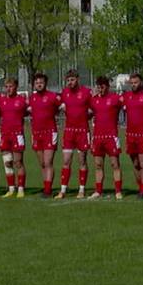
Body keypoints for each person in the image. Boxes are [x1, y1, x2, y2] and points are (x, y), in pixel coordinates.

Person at [57, 70, 91, 199]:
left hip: (82, 131)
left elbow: (93, 108)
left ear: (77, 79)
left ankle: (81, 190)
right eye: (68, 80)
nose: (70, 82)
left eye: (72, 79)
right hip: (69, 132)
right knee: (66, 161)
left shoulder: (86, 92)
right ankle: (63, 190)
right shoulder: (64, 93)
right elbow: (56, 104)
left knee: (82, 160)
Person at [89, 76, 123, 199]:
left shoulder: (115, 98)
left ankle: (118, 191)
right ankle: (98, 191)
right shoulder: (93, 100)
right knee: (98, 165)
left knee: (115, 164)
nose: (100, 89)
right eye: (98, 87)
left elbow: (129, 100)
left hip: (111, 137)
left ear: (107, 86)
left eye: (102, 87)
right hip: (97, 137)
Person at [28, 73, 61, 197]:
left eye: (41, 82)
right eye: (36, 83)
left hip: (49, 132)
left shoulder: (53, 97)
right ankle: (45, 186)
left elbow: (62, 108)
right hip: (36, 133)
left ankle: (48, 190)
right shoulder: (32, 98)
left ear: (45, 83)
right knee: (42, 163)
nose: (39, 84)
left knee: (48, 162)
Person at [123, 73, 143, 198]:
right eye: (132, 83)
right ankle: (140, 187)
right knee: (135, 163)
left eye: (135, 82)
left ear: (141, 83)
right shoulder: (126, 97)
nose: (133, 85)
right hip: (130, 134)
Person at [0, 78, 28, 198]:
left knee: (18, 162)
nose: (8, 89)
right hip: (5, 134)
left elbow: (29, 111)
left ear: (16, 87)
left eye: (11, 86)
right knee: (7, 162)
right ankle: (11, 189)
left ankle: (20, 188)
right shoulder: (2, 100)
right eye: (6, 87)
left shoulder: (21, 100)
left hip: (17, 134)